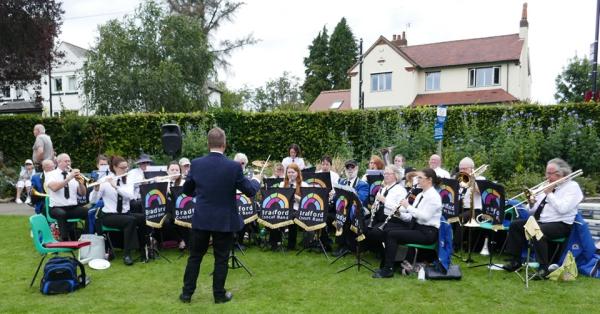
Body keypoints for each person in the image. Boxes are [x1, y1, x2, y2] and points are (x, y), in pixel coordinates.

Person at [180, 127, 260, 304]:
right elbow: (250, 191)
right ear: (224, 144)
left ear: (208, 144)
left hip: (201, 218)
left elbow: (186, 190)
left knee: (195, 257)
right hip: (224, 220)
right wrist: (257, 181)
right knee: (221, 258)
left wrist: (201, 195)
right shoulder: (233, 166)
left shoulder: (197, 163)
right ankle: (219, 295)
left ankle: (186, 294)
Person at [502, 158, 583, 280]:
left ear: (561, 173)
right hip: (541, 222)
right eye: (547, 173)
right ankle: (515, 261)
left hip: (561, 224)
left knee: (537, 230)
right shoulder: (547, 186)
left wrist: (549, 194)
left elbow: (563, 209)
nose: (547, 176)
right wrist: (531, 203)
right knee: (515, 225)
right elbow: (532, 211)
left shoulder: (572, 187)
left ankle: (543, 268)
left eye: (551, 174)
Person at [373, 168, 442, 278]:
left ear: (429, 180)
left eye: (420, 178)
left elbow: (425, 217)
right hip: (417, 228)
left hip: (427, 233)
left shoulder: (434, 197)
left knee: (392, 235)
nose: (417, 180)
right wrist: (398, 212)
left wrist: (407, 206)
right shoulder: (420, 195)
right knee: (387, 231)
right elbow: (408, 213)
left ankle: (388, 270)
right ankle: (386, 265)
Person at [90, 156, 147, 265]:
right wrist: (96, 190)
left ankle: (143, 249)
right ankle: (127, 254)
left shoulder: (128, 179)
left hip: (125, 213)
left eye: (126, 167)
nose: (125, 170)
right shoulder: (104, 180)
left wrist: (116, 187)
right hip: (109, 216)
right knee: (130, 220)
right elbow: (93, 200)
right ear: (114, 167)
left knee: (142, 218)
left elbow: (130, 196)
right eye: (122, 168)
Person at [365, 165, 408, 258]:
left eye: (388, 174)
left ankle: (383, 253)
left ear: (396, 176)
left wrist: (385, 201)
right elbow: (378, 204)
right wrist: (375, 206)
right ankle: (376, 250)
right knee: (364, 226)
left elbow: (403, 209)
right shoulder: (384, 188)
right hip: (380, 217)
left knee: (375, 232)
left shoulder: (400, 190)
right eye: (385, 173)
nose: (385, 175)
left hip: (394, 219)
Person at [46, 153, 89, 240]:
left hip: (72, 207)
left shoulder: (73, 176)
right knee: (61, 214)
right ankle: (65, 240)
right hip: (56, 208)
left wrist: (81, 183)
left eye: (69, 161)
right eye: (66, 161)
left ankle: (86, 236)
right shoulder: (51, 174)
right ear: (59, 162)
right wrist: (69, 178)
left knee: (89, 212)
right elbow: (54, 188)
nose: (68, 163)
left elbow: (82, 193)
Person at [332, 159, 369, 257]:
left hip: (357, 211)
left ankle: (345, 246)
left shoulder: (362, 184)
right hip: (343, 209)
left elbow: (361, 199)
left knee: (345, 213)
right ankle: (340, 244)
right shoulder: (341, 181)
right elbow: (337, 198)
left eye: (352, 167)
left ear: (357, 169)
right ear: (345, 169)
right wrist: (333, 195)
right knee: (338, 211)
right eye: (347, 167)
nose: (350, 170)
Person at [270, 163, 309, 251]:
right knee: (273, 215)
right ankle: (275, 243)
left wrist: (294, 196)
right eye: (289, 172)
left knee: (292, 217)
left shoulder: (304, 185)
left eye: (293, 172)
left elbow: (305, 202)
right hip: (284, 208)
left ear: (298, 173)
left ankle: (291, 245)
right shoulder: (282, 184)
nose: (290, 174)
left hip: (297, 209)